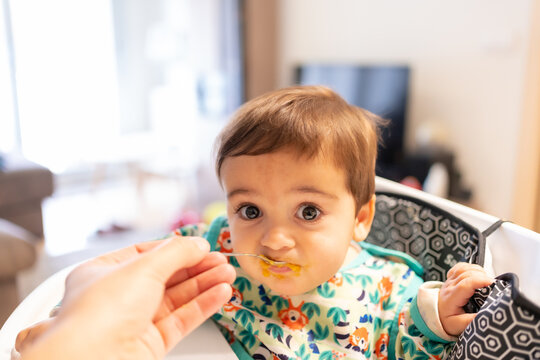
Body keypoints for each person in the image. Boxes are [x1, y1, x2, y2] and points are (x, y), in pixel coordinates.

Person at [179, 85, 492, 359]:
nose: (274, 240)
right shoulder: (219, 248)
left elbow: (410, 343)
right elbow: (161, 262)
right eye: (250, 211)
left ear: (361, 218)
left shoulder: (387, 290)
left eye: (309, 212)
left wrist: (437, 317)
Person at [13, 236, 235, 359]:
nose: (271, 240)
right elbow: (125, 277)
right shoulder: (216, 241)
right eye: (250, 212)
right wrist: (71, 327)